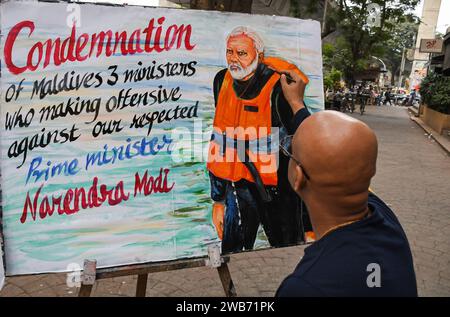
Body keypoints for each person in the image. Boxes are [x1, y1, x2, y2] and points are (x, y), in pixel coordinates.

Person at [275, 70, 417, 296]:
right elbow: (340, 159)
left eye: (290, 153)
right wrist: (296, 103)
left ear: (298, 177)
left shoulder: (306, 286)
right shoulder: (386, 220)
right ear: (370, 172)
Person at [207, 26, 312, 253]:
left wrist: (309, 219)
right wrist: (218, 200)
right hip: (239, 185)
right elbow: (219, 142)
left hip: (278, 191)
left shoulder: (278, 88)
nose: (234, 59)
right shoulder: (220, 81)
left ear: (260, 57)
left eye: (242, 53)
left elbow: (308, 141)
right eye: (229, 52)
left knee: (290, 249)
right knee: (232, 253)